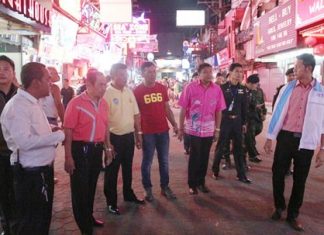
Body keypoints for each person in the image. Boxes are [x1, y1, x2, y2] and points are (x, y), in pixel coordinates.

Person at [0, 62, 65, 234]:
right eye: (47, 79)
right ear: (36, 82)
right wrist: (57, 136)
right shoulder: (18, 106)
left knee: (42, 219)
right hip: (30, 176)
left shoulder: (32, 102)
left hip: (41, 172)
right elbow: (24, 142)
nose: (51, 83)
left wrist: (51, 129)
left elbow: (31, 130)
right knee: (31, 223)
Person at [264, 53, 324, 232]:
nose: (295, 70)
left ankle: (293, 214)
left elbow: (323, 124)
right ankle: (279, 206)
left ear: (308, 68)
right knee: (277, 173)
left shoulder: (321, 93)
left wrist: (322, 149)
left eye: (298, 66)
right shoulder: (287, 88)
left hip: (305, 142)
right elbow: (276, 114)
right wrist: (269, 138)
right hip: (285, 138)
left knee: (300, 180)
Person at [64, 69, 113, 235]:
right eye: (100, 85)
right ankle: (84, 227)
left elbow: (105, 127)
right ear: (89, 84)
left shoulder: (104, 103)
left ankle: (88, 216)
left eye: (105, 84)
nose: (104, 88)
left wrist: (108, 147)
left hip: (96, 150)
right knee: (80, 190)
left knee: (91, 186)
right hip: (80, 150)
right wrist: (68, 156)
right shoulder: (76, 103)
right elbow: (68, 130)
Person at [134, 61, 178, 202]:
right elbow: (136, 115)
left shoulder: (161, 88)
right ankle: (148, 189)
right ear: (143, 73)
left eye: (154, 71)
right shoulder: (137, 91)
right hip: (147, 133)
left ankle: (165, 187)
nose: (152, 74)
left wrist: (175, 124)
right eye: (149, 72)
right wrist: (138, 134)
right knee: (147, 162)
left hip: (163, 131)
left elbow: (167, 109)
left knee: (164, 161)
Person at [103, 63, 144, 215]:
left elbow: (136, 115)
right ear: (113, 75)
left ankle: (128, 194)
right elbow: (104, 121)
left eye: (126, 75)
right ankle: (111, 202)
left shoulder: (129, 92)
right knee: (112, 171)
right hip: (113, 138)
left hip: (128, 137)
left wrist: (138, 135)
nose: (124, 78)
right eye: (121, 75)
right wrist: (107, 145)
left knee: (128, 168)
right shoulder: (107, 93)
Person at [178, 63, 225, 195]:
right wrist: (181, 128)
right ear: (199, 74)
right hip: (194, 129)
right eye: (205, 72)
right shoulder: (190, 88)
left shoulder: (217, 89)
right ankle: (192, 184)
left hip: (209, 129)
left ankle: (201, 182)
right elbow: (182, 108)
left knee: (205, 157)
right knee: (195, 156)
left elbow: (219, 111)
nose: (209, 74)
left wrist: (217, 130)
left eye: (211, 72)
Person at [212, 63, 251, 184]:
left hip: (237, 123)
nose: (240, 74)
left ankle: (241, 174)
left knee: (239, 149)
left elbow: (245, 108)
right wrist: (216, 125)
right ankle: (215, 170)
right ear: (230, 73)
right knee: (221, 147)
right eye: (237, 71)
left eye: (241, 72)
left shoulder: (243, 89)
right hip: (225, 121)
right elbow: (216, 107)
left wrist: (244, 123)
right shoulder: (221, 88)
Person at [0, 55, 18, 235]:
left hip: (18, 153)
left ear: (13, 73)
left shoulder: (21, 95)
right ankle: (6, 227)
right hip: (0, 154)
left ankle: (17, 226)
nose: (1, 72)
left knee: (17, 192)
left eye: (6, 68)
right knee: (3, 193)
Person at [245, 74, 263, 163]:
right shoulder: (243, 91)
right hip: (245, 120)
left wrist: (256, 106)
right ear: (251, 83)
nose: (256, 86)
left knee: (251, 137)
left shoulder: (251, 91)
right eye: (256, 84)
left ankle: (252, 154)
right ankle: (252, 155)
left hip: (252, 118)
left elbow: (251, 103)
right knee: (248, 138)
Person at [183, 72, 199, 155]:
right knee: (188, 133)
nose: (197, 79)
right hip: (189, 115)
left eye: (198, 77)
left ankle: (194, 148)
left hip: (199, 117)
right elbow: (184, 105)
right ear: (192, 78)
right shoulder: (189, 87)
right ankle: (186, 147)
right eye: (195, 77)